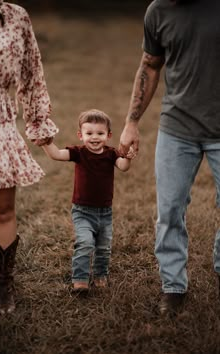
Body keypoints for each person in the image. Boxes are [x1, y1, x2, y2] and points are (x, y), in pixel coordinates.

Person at [119, 0, 220, 316]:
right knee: (170, 210)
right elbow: (150, 64)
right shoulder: (158, 11)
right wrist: (131, 123)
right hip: (177, 128)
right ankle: (173, 287)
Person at [0, 0, 58, 315]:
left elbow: (31, 73)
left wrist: (38, 120)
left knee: (1, 209)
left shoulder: (15, 16)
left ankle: (3, 285)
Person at [42, 109, 135, 292]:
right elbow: (56, 154)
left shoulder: (111, 154)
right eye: (89, 133)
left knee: (103, 247)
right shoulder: (79, 153)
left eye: (100, 133)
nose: (94, 137)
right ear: (80, 135)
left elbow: (123, 167)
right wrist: (46, 143)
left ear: (108, 135)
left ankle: (100, 275)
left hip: (105, 212)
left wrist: (128, 157)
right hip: (82, 211)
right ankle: (80, 279)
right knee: (84, 243)